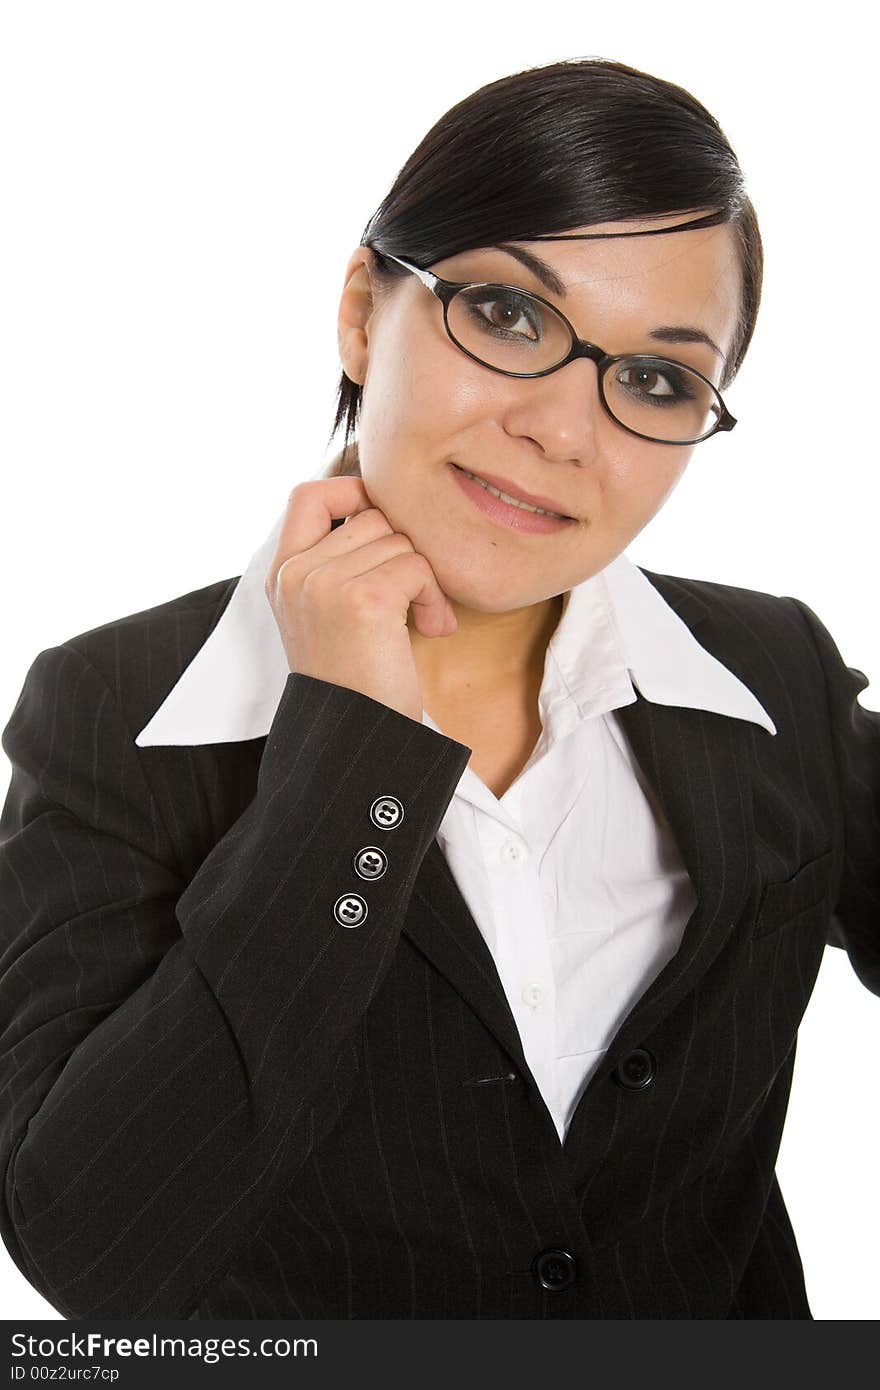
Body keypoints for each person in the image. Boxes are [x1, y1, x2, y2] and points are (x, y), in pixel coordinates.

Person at [0, 55, 876, 1322]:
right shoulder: (120, 712)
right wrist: (346, 753)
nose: (566, 431)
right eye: (511, 316)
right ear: (363, 309)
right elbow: (96, 1249)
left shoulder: (769, 678)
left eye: (654, 378)